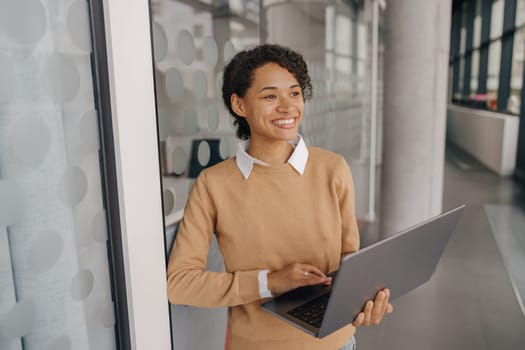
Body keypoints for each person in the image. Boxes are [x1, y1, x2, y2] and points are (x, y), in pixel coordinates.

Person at [167, 44, 393, 350]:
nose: (288, 107)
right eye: (270, 96)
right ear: (239, 105)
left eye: (295, 93)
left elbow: (349, 264)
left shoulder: (333, 169)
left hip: (336, 344)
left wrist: (365, 305)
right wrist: (268, 282)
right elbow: (180, 285)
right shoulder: (213, 184)